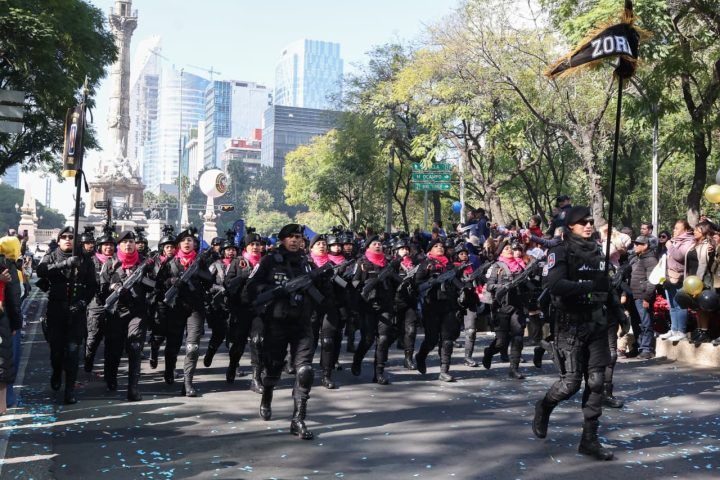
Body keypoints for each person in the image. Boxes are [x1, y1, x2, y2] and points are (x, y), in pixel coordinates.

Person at [532, 206, 614, 460]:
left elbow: (606, 287)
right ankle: (544, 406)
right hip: (569, 325)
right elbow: (555, 284)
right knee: (570, 384)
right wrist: (589, 285)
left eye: (590, 221)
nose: (588, 225)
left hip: (596, 324)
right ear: (570, 226)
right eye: (582, 222)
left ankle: (589, 440)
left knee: (597, 382)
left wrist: (618, 311)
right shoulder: (559, 250)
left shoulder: (598, 251)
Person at [244, 224, 317, 439]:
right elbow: (251, 288)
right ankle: (267, 394)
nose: (295, 240)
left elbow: (323, 296)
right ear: (282, 240)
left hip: (302, 323)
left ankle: (298, 419)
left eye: (298, 237)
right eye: (290, 237)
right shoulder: (269, 261)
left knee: (305, 371)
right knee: (273, 370)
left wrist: (324, 282)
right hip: (277, 322)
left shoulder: (307, 264)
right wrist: (276, 291)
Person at [36, 227, 96, 404]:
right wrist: (64, 264)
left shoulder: (85, 259)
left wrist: (82, 303)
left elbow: (92, 286)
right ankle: (56, 371)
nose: (68, 239)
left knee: (73, 351)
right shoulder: (51, 256)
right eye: (64, 237)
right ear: (59, 240)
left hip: (76, 312)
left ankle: (69, 391)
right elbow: (41, 271)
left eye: (71, 237)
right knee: (56, 352)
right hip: (56, 310)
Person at [154, 228, 214, 397]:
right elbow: (158, 284)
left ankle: (188, 382)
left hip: (195, 309)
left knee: (192, 347)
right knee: (173, 344)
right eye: (184, 240)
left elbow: (210, 282)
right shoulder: (170, 262)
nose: (187, 243)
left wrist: (199, 271)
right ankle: (169, 369)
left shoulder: (200, 261)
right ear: (178, 244)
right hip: (175, 308)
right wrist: (172, 281)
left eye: (190, 240)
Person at [98, 231, 153, 401]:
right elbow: (101, 288)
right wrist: (114, 287)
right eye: (124, 242)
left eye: (131, 241)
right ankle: (111, 379)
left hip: (137, 311)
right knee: (114, 349)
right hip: (116, 312)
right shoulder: (110, 263)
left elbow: (155, 285)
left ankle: (133, 388)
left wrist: (148, 274)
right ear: (119, 245)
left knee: (135, 346)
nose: (128, 244)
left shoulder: (144, 262)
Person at [351, 236, 399, 385]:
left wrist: (392, 275)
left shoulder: (388, 263)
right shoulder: (362, 262)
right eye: (374, 244)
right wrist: (368, 282)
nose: (378, 245)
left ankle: (379, 373)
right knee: (368, 339)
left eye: (379, 243)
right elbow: (354, 282)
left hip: (385, 305)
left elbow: (398, 283)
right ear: (368, 247)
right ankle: (357, 359)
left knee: (383, 339)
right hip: (367, 306)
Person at [482, 241, 534, 379]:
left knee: (518, 338)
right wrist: (503, 286)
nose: (510, 250)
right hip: (502, 307)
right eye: (506, 248)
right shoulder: (497, 266)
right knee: (501, 342)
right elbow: (489, 286)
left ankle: (514, 369)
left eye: (510, 248)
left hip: (517, 307)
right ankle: (489, 352)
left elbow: (528, 285)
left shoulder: (519, 266)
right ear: (501, 252)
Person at [414, 239, 463, 382]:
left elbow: (459, 283)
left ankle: (444, 370)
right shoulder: (425, 264)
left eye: (441, 246)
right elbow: (417, 285)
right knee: (432, 339)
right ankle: (421, 356)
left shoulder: (450, 265)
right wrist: (432, 281)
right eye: (436, 246)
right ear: (430, 250)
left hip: (449, 305)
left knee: (447, 340)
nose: (440, 248)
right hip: (432, 306)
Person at [224, 230, 264, 391]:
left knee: (258, 341)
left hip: (259, 309)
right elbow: (228, 284)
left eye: (258, 244)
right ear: (246, 247)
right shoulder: (237, 262)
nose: (255, 247)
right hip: (240, 309)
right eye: (251, 244)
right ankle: (233, 365)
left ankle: (256, 378)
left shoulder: (265, 262)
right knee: (238, 344)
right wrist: (242, 277)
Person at [84, 229, 116, 372]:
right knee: (93, 336)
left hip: (115, 303)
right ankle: (88, 360)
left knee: (112, 339)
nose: (108, 247)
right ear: (100, 247)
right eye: (105, 245)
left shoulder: (119, 260)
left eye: (111, 245)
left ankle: (110, 371)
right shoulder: (91, 260)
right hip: (96, 302)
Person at [660, 220, 695, 342]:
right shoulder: (674, 240)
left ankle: (681, 331)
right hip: (669, 277)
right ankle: (674, 329)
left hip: (679, 278)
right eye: (674, 228)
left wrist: (670, 246)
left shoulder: (689, 241)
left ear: (685, 230)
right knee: (672, 305)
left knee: (680, 305)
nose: (674, 230)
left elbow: (679, 256)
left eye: (677, 228)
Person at [148, 226, 176, 370]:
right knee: (159, 334)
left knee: (173, 337)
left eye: (172, 247)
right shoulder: (156, 261)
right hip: (160, 301)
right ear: (162, 249)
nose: (170, 249)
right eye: (167, 247)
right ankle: (154, 351)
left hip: (176, 302)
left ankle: (170, 369)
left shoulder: (179, 261)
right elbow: (153, 280)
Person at [630, 236, 658, 359]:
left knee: (646, 323)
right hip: (635, 295)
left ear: (645, 246)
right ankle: (640, 347)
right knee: (638, 323)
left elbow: (652, 281)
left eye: (638, 244)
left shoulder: (651, 260)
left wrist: (647, 298)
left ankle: (647, 349)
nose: (635, 246)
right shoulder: (638, 258)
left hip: (643, 296)